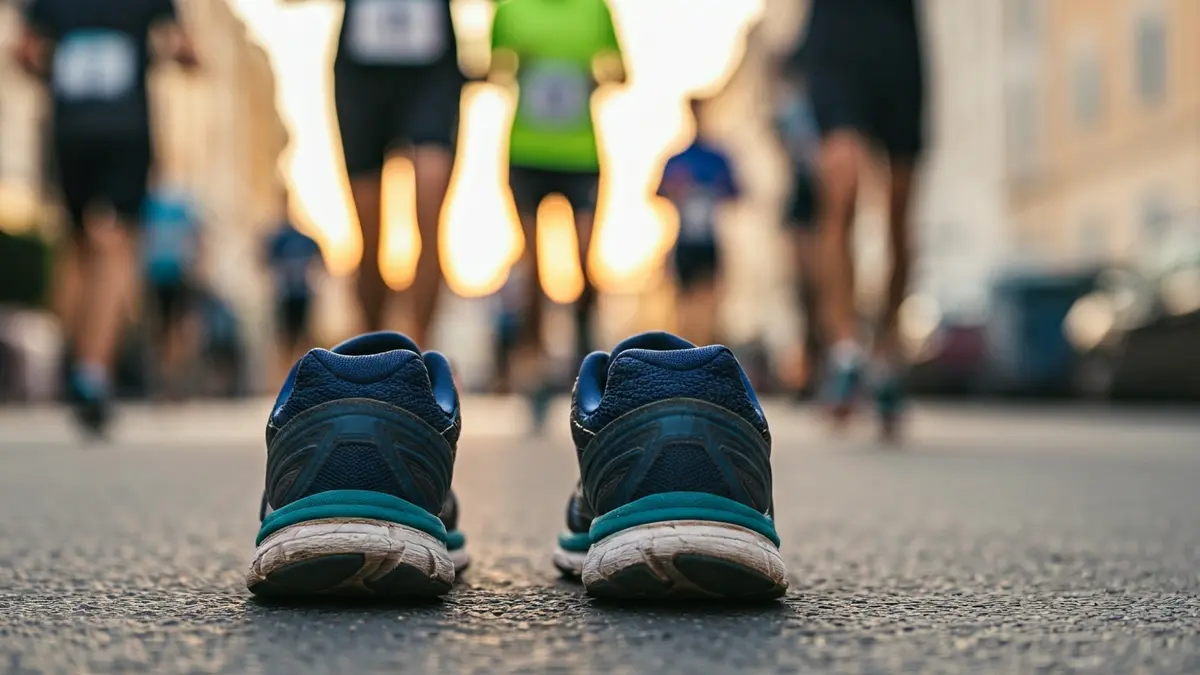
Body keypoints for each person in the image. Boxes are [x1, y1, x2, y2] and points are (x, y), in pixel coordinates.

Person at [14, 0, 198, 432]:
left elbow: (23, 52)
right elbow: (186, 49)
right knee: (114, 245)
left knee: (79, 246)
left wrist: (55, 67)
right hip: (125, 130)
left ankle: (79, 363)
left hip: (69, 129)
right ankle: (91, 372)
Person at [487, 0, 627, 406]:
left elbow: (620, 71)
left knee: (585, 262)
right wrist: (516, 66)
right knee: (532, 267)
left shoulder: (596, 10)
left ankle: (586, 348)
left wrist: (593, 76)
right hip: (527, 154)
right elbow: (494, 70)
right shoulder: (510, 9)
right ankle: (534, 368)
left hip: (580, 155)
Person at [798, 0, 925, 437]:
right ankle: (846, 350)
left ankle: (887, 353)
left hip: (896, 37)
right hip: (835, 37)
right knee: (842, 185)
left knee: (899, 211)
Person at [326, 0, 465, 343]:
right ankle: (373, 352)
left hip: (431, 72)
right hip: (361, 75)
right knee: (369, 233)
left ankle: (421, 352)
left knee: (430, 213)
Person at [656, 96, 740, 348]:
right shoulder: (678, 159)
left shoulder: (718, 158)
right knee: (685, 301)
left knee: (709, 299)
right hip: (685, 241)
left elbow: (737, 192)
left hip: (708, 239)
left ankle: (703, 348)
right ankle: (686, 348)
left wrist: (713, 191)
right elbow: (657, 192)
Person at [772, 66, 824, 398]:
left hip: (820, 202)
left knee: (817, 292)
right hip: (804, 201)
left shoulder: (821, 108)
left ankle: (820, 366)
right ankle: (809, 369)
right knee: (804, 292)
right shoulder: (791, 111)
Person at [141, 183, 204, 399]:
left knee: (177, 329)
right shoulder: (149, 203)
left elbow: (197, 236)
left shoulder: (180, 203)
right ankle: (165, 379)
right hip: (156, 275)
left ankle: (173, 379)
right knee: (160, 331)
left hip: (177, 274)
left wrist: (196, 265)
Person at [263, 201, 326, 384]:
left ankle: (305, 379)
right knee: (285, 339)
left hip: (302, 295)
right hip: (285, 296)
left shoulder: (304, 239)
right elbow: (264, 261)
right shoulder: (278, 239)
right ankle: (285, 380)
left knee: (303, 338)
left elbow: (322, 261)